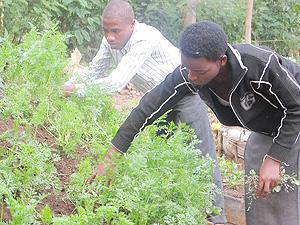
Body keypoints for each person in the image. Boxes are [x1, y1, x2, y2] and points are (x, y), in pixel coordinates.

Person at [90, 20, 300, 225]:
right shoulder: (190, 74)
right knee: (260, 192)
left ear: (222, 60)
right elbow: (148, 107)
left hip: (294, 122)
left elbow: (297, 107)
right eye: (187, 68)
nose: (191, 76)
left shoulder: (259, 66)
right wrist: (113, 154)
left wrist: (274, 159)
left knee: (283, 197)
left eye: (199, 72)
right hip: (267, 130)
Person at [65, 1, 226, 224]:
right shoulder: (109, 42)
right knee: (158, 158)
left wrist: (75, 90)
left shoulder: (144, 38)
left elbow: (116, 82)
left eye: (115, 31)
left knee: (202, 154)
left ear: (132, 24)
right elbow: (93, 71)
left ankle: (216, 217)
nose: (110, 36)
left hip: (186, 92)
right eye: (106, 30)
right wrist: (65, 85)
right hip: (157, 102)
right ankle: (164, 211)